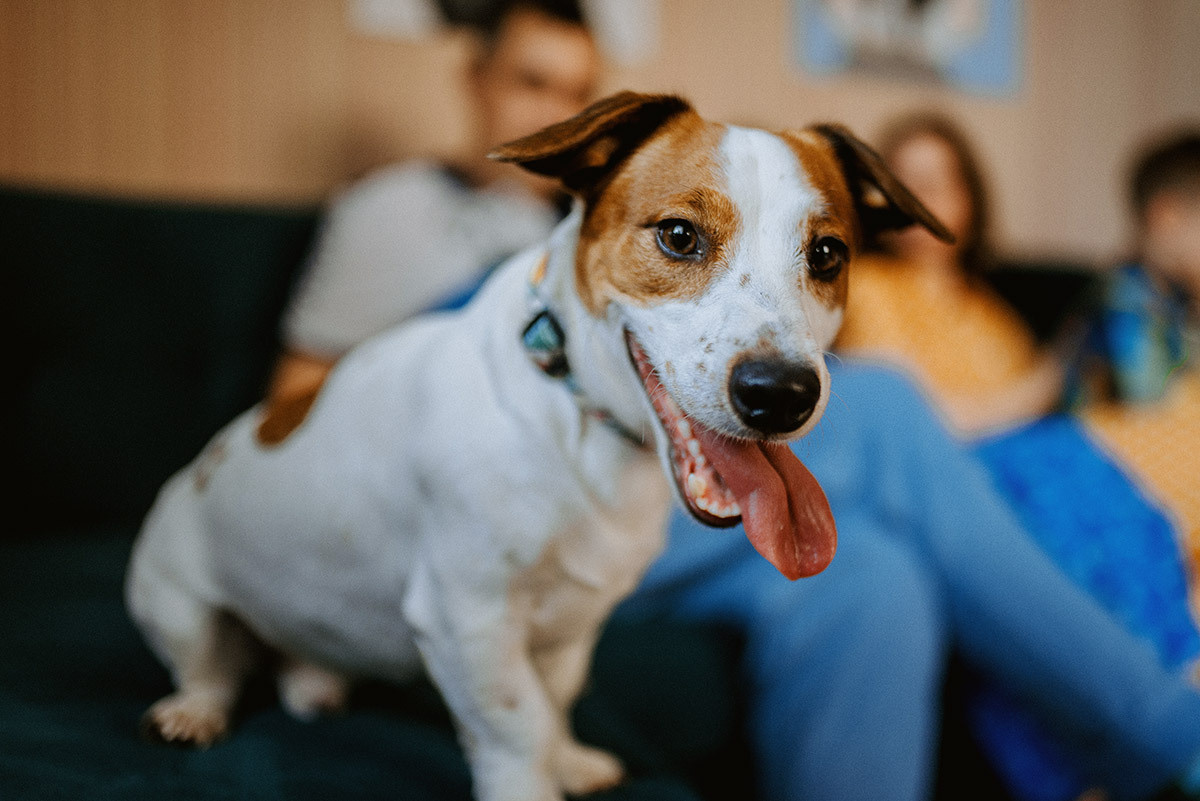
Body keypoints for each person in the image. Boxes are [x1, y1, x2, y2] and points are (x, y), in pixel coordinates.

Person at [618, 361, 1200, 801]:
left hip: (658, 505)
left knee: (871, 571)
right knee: (877, 404)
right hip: (578, 524)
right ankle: (1170, 730)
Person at [267, 0, 601, 406]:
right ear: (476, 79)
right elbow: (293, 399)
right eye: (532, 83)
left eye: (578, 95)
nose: (558, 116)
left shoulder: (594, 232)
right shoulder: (385, 211)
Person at [834, 112, 1066, 436]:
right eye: (901, 188)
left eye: (931, 186)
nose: (915, 203)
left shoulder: (991, 312)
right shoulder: (863, 286)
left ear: (968, 199)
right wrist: (1034, 392)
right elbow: (906, 414)